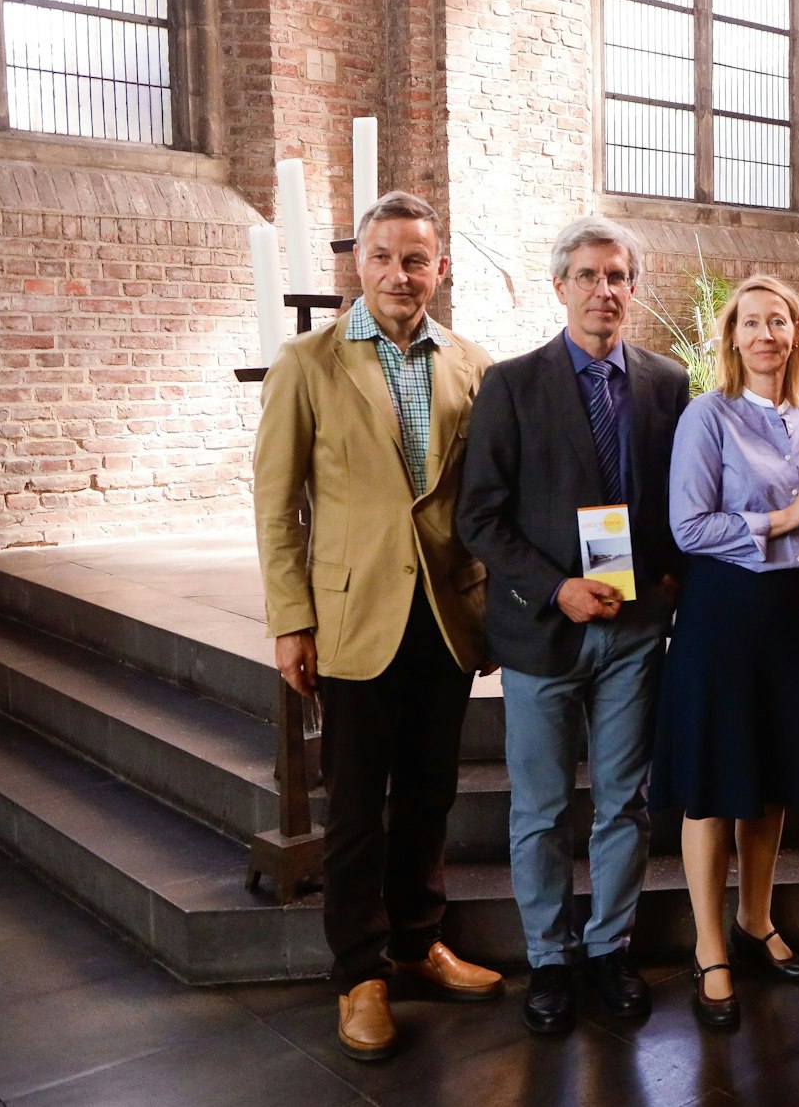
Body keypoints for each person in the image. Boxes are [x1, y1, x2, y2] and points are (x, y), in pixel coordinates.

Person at [253, 190, 501, 1061]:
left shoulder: (472, 364)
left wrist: (494, 606)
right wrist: (292, 619)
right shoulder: (308, 362)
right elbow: (277, 505)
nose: (401, 274)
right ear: (360, 263)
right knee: (357, 804)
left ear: (441, 268)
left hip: (446, 613)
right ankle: (360, 972)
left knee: (431, 792)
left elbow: (482, 498)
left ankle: (417, 940)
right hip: (354, 615)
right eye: (385, 257)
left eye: (417, 259)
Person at [457, 216, 690, 1034]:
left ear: (633, 287)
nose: (604, 290)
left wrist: (669, 574)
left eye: (617, 275)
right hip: (543, 629)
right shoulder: (512, 384)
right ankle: (550, 957)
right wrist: (557, 589)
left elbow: (681, 496)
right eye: (588, 275)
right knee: (543, 807)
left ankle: (609, 949)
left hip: (634, 629)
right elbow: (479, 516)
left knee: (625, 801)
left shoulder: (666, 383)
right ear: (560, 286)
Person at [653, 274, 799, 1029]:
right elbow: (688, 526)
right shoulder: (708, 415)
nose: (766, 334)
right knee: (713, 782)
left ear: (797, 334)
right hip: (721, 615)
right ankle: (709, 948)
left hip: (786, 618)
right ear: (731, 337)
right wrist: (782, 519)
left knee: (770, 778)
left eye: (780, 321)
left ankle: (755, 919)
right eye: (751, 322)